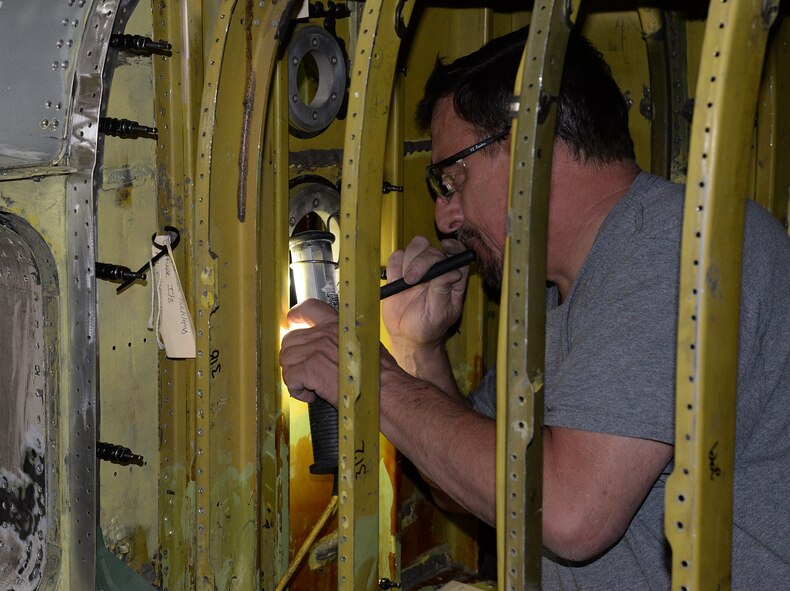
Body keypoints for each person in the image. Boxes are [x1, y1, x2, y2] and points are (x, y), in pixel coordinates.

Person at [279, 27, 790, 589]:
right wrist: (418, 349)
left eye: (451, 179)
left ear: (530, 145)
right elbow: (485, 487)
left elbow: (570, 514)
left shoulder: (677, 245)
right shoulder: (551, 290)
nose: (446, 217)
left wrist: (366, 378)